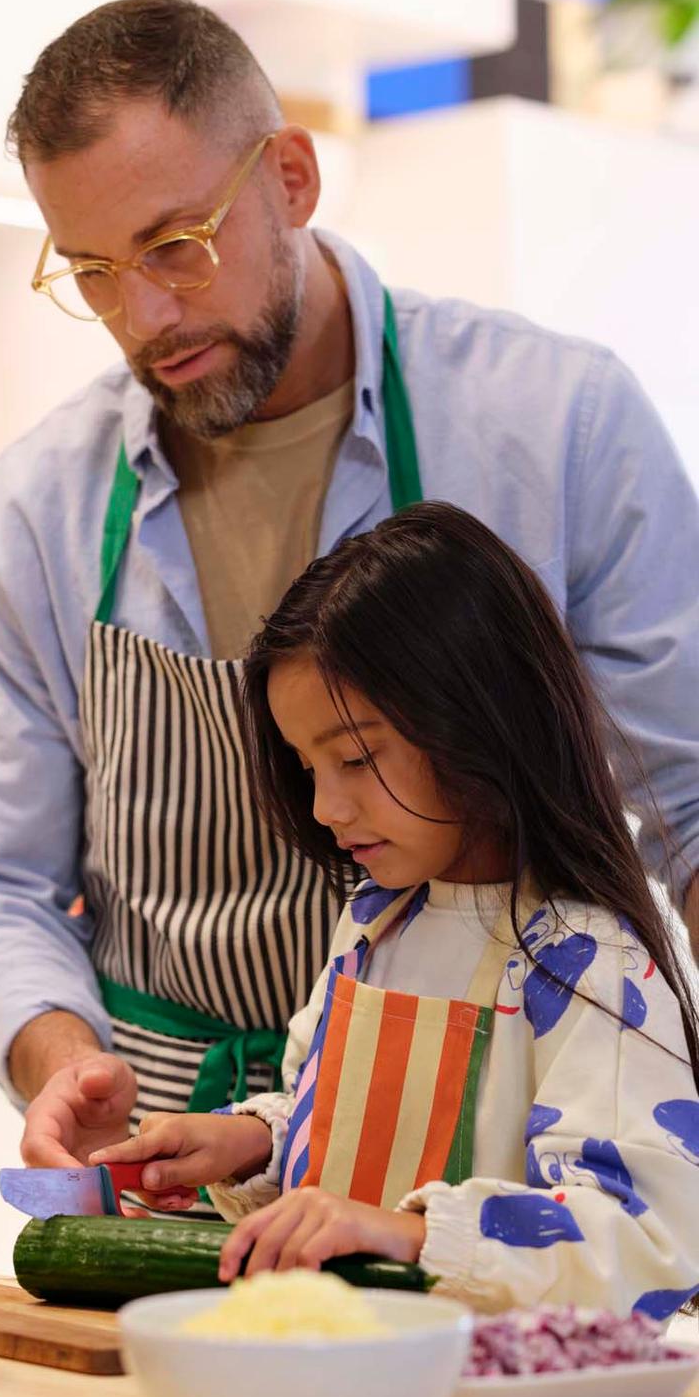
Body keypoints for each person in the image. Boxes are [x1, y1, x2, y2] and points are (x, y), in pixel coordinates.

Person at [0, 0, 699, 1188]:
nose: (144, 316)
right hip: (166, 1169)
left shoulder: (560, 426)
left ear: (290, 176)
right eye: (90, 271)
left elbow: (687, 807)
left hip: (497, 1161)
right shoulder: (30, 520)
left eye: (176, 245)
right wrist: (58, 1060)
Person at [90, 503, 699, 1315]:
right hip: (350, 1376)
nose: (325, 808)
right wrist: (253, 1142)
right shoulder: (375, 922)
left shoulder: (589, 963)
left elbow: (648, 1238)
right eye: (308, 769)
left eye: (354, 757)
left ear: (477, 722)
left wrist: (408, 1235)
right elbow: (333, 1117)